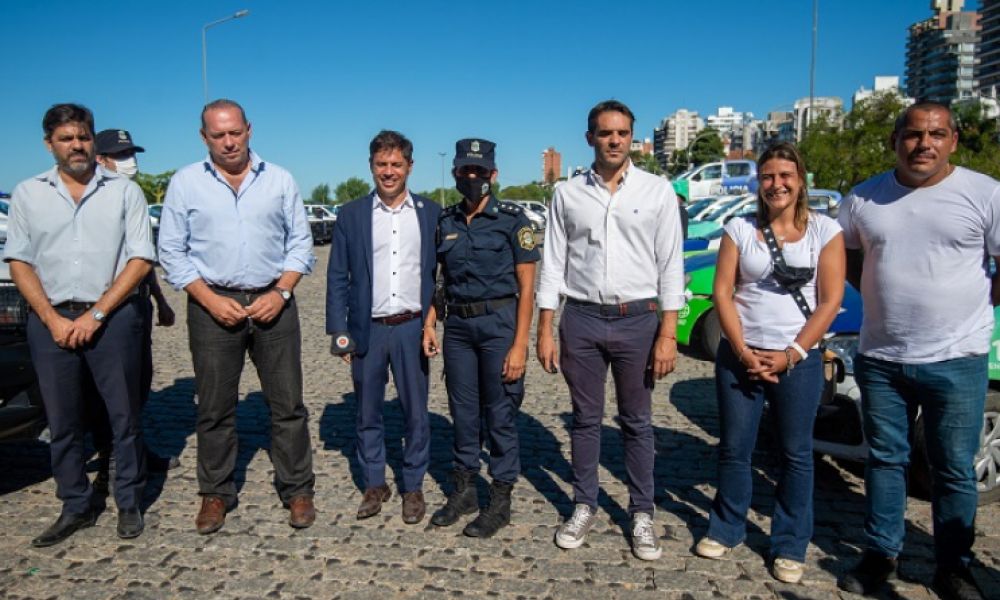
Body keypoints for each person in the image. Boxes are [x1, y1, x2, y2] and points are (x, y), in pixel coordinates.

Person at [836, 102, 996, 600]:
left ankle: (954, 565)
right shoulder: (863, 198)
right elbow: (847, 256)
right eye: (913, 134)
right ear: (895, 140)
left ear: (953, 140)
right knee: (886, 460)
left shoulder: (984, 193)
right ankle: (881, 553)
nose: (924, 144)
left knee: (952, 466)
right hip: (881, 357)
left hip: (957, 357)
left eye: (936, 134)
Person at [157, 99, 317, 534]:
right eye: (218, 135)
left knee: (288, 406)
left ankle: (298, 488)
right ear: (203, 137)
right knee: (214, 409)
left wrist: (281, 291)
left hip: (273, 305)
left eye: (235, 132)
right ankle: (216, 493)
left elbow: (301, 245)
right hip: (213, 307)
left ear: (249, 129)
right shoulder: (186, 183)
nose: (228, 142)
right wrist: (208, 299)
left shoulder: (279, 180)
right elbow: (171, 250)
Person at [536, 100, 684, 561]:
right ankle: (584, 503)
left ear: (631, 138)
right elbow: (553, 263)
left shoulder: (657, 191)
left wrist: (668, 332)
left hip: (638, 319)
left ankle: (642, 512)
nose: (614, 140)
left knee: (637, 422)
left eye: (622, 133)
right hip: (580, 318)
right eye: (605, 133)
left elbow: (670, 265)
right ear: (590, 138)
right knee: (584, 420)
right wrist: (545, 327)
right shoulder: (567, 193)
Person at [692, 142, 845, 584]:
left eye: (785, 176)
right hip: (741, 355)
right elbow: (723, 292)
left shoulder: (825, 231)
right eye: (768, 177)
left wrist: (791, 354)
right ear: (758, 183)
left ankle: (790, 543)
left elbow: (831, 300)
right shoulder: (739, 228)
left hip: (799, 358)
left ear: (801, 180)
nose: (776, 184)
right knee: (735, 449)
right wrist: (742, 352)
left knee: (795, 453)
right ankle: (726, 527)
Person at [4, 103, 155, 545]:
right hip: (49, 319)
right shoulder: (28, 194)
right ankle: (76, 503)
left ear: (93, 140)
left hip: (113, 316)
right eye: (67, 138)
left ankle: (128, 502)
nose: (77, 145)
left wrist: (97, 314)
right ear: (49, 144)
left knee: (124, 415)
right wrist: (51, 318)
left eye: (84, 137)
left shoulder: (124, 192)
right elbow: (19, 261)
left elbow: (140, 259)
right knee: (63, 419)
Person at [422, 138, 539, 538]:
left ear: (493, 174)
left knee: (501, 414)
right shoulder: (447, 220)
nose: (472, 178)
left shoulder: (513, 221)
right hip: (458, 329)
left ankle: (501, 500)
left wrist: (520, 344)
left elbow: (528, 288)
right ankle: (465, 491)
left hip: (499, 325)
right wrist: (430, 322)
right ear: (455, 173)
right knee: (463, 413)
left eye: (479, 171)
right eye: (464, 171)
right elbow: (441, 280)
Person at [326, 130, 440, 524]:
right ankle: (375, 482)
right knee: (367, 411)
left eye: (395, 164)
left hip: (411, 327)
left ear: (409, 166)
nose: (388, 172)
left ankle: (413, 485)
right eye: (381, 165)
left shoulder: (430, 213)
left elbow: (439, 275)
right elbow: (338, 275)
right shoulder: (352, 214)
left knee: (415, 412)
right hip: (367, 330)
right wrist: (339, 333)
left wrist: (431, 321)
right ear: (371, 166)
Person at [90, 129, 177, 492]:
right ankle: (112, 457)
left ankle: (136, 451)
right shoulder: (92, 200)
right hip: (105, 305)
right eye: (120, 155)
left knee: (138, 385)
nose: (130, 161)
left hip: (136, 303)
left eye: (131, 153)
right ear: (100, 159)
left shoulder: (132, 195)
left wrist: (159, 300)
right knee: (107, 391)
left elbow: (141, 259)